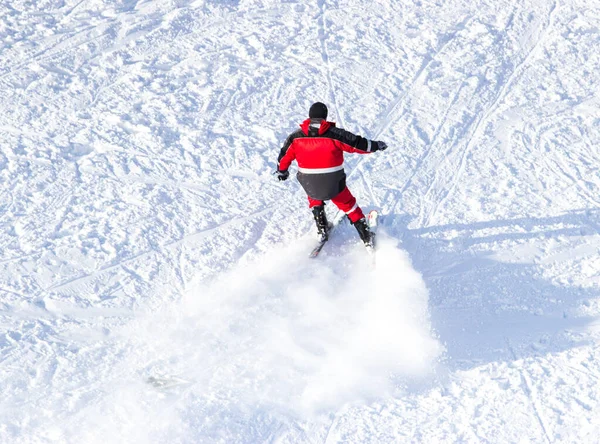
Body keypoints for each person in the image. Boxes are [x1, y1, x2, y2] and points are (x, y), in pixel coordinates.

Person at [275, 102, 388, 246]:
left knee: (314, 196)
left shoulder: (295, 137)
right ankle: (366, 237)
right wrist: (376, 146)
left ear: (310, 116)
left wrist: (282, 172)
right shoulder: (335, 134)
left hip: (310, 183)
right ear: (325, 117)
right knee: (348, 204)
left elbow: (283, 156)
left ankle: (322, 230)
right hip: (333, 183)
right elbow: (357, 144)